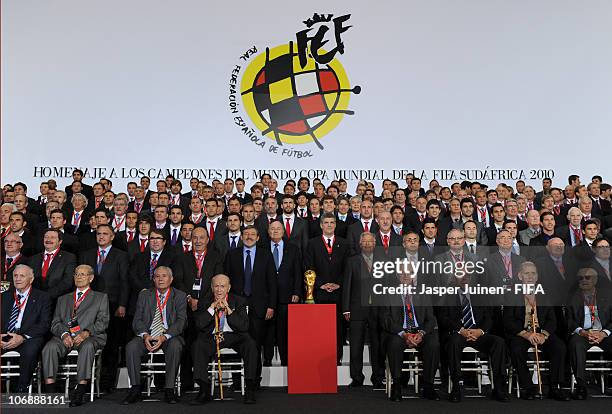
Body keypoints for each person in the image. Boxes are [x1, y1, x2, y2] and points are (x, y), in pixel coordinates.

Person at [42, 265, 109, 406]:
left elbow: (103, 322)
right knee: (49, 347)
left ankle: (80, 389)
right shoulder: (63, 299)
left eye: (83, 274)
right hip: (65, 337)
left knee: (88, 347)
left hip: (89, 336)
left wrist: (86, 333)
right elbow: (55, 322)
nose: (78, 277)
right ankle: (51, 390)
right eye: (76, 274)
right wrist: (64, 334)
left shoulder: (100, 297)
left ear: (90, 278)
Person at [438, 269, 510, 402]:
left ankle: (499, 388)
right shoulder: (448, 295)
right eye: (460, 275)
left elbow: (489, 317)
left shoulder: (480, 294)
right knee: (453, 342)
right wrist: (461, 330)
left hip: (478, 334)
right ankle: (457, 386)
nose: (464, 277)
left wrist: (480, 331)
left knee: (498, 342)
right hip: (459, 334)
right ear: (454, 278)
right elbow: (443, 318)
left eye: (467, 275)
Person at [503, 262, 570, 401]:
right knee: (516, 350)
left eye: (533, 273)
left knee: (559, 347)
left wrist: (544, 335)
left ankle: (555, 387)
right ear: (520, 276)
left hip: (541, 332)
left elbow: (552, 320)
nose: (530, 276)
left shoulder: (544, 294)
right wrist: (527, 335)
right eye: (526, 273)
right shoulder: (511, 294)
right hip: (521, 333)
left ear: (537, 276)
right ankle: (528, 387)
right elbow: (508, 321)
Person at [190, 274, 258, 404]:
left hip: (234, 336)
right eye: (216, 286)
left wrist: (228, 310)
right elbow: (199, 325)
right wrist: (211, 309)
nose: (219, 290)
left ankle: (249, 389)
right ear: (211, 287)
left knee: (250, 344)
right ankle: (203, 390)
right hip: (212, 336)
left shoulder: (239, 301)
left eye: (222, 286)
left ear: (229, 288)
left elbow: (243, 326)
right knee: (197, 345)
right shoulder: (204, 301)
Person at [123, 266, 186, 404]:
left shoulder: (179, 296)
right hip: (148, 334)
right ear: (153, 279)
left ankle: (169, 389)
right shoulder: (145, 295)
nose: (161, 279)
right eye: (157, 276)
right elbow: (137, 320)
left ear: (171, 279)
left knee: (175, 346)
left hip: (169, 335)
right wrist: (145, 335)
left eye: (164, 276)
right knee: (131, 347)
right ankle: (135, 389)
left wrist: (164, 337)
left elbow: (182, 322)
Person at [78, 224, 130, 391]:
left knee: (111, 344)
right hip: (89, 307)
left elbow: (124, 282)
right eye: (98, 234)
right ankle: (86, 381)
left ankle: (107, 383)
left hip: (113, 305)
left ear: (112, 236)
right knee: (89, 341)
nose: (101, 236)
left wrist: (122, 304)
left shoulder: (121, 255)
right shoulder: (87, 254)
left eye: (105, 234)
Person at [224, 225, 277, 386]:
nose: (249, 236)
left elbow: (272, 283)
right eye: (246, 234)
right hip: (235, 308)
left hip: (259, 307)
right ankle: (235, 380)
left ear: (258, 237)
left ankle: (254, 380)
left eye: (252, 234)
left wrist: (271, 306)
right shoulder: (232, 255)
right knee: (235, 341)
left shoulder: (266, 255)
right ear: (241, 237)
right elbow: (226, 281)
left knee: (255, 344)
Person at [380, 265, 440, 401]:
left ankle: (428, 385)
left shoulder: (423, 293)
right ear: (397, 275)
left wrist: (421, 333)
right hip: (399, 333)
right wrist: (404, 334)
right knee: (394, 343)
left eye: (410, 272)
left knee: (433, 344)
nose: (406, 275)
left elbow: (431, 319)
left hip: (419, 332)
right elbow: (385, 320)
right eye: (402, 273)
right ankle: (397, 385)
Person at [305, 213, 350, 364]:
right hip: (319, 293)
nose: (329, 225)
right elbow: (308, 267)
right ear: (321, 225)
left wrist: (338, 283)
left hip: (338, 294)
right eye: (326, 222)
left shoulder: (344, 243)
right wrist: (321, 284)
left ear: (336, 224)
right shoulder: (312, 243)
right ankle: (320, 359)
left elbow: (347, 269)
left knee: (338, 330)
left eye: (332, 222)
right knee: (320, 330)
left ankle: (336, 360)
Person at [342, 232, 386, 388]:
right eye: (364, 242)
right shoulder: (352, 261)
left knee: (378, 345)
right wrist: (346, 308)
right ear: (360, 244)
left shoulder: (383, 261)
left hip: (378, 310)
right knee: (356, 346)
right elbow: (347, 286)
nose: (367, 244)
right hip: (356, 309)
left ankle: (378, 377)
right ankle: (357, 378)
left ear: (375, 244)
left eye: (370, 242)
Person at [1, 264, 51, 392]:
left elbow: (44, 324)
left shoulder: (42, 297)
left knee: (30, 351)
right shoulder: (4, 296)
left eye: (22, 276)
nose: (17, 279)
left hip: (29, 337)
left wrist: (22, 337)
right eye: (15, 276)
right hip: (5, 335)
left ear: (31, 279)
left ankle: (21, 390)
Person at [567, 267, 612, 400]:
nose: (584, 280)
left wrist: (604, 333)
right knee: (576, 345)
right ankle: (581, 386)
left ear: (596, 279)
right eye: (580, 278)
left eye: (588, 277)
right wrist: (583, 332)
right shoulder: (571, 297)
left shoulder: (608, 296)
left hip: (604, 332)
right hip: (583, 333)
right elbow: (569, 321)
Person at [264, 221, 302, 366]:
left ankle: (286, 361)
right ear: (268, 231)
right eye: (272, 228)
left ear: (283, 231)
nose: (275, 231)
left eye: (278, 228)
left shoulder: (293, 248)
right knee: (268, 331)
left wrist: (297, 291)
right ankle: (267, 360)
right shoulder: (262, 248)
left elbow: (297, 272)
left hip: (287, 296)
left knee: (284, 331)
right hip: (267, 297)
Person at [30, 228, 76, 301]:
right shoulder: (33, 258)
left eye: (53, 237)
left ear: (60, 241)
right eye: (46, 237)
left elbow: (67, 282)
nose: (48, 240)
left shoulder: (69, 258)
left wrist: (46, 296)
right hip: (34, 299)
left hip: (56, 300)